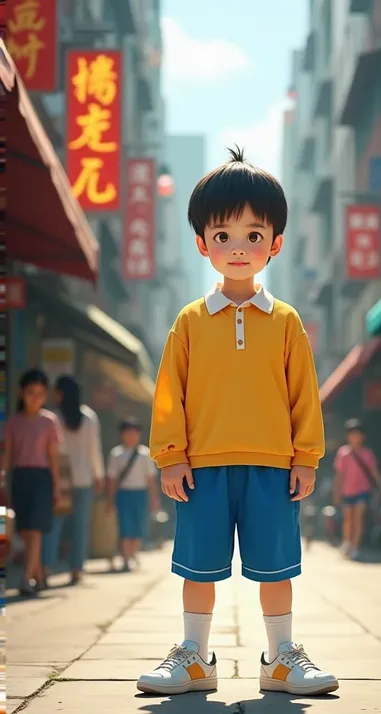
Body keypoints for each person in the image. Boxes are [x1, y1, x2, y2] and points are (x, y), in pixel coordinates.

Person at [138, 146, 339, 698]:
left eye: (254, 235)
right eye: (223, 236)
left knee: (277, 569)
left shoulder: (287, 322)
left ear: (275, 244)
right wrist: (170, 455)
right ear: (203, 244)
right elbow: (168, 395)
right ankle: (195, 658)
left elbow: (305, 396)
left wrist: (307, 457)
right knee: (197, 569)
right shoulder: (190, 321)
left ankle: (279, 660)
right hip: (201, 467)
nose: (238, 248)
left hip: (274, 465)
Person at [2, 369, 62, 595]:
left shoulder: (49, 422)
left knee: (36, 530)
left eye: (40, 393)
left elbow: (53, 458)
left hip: (42, 479)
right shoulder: (13, 423)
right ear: (21, 393)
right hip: (21, 477)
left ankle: (27, 578)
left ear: (45, 395)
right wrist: (3, 480)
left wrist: (56, 487)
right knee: (25, 530)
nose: (34, 398)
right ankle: (37, 573)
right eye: (30, 393)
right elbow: (7, 456)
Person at [41, 375, 105, 586]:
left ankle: (46, 568)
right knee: (80, 526)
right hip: (85, 478)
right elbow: (94, 449)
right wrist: (99, 475)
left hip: (61, 479)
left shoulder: (54, 417)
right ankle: (77, 569)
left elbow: (52, 452)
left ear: (61, 394)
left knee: (54, 526)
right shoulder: (89, 417)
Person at [106, 418, 159, 572]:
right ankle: (126, 558)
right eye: (127, 433)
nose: (131, 436)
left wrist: (154, 498)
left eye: (134, 433)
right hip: (123, 494)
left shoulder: (145, 454)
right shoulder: (116, 454)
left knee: (138, 526)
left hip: (140, 494)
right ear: (122, 435)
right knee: (125, 526)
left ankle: (132, 554)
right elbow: (111, 479)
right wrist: (110, 499)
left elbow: (150, 479)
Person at [333, 419, 381, 561]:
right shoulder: (343, 453)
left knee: (359, 518)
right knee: (348, 518)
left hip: (363, 490)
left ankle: (356, 547)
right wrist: (336, 492)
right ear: (348, 436)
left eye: (358, 434)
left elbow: (374, 471)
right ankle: (347, 542)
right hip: (347, 491)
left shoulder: (367, 453)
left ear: (363, 436)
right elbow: (339, 475)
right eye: (352, 434)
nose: (355, 437)